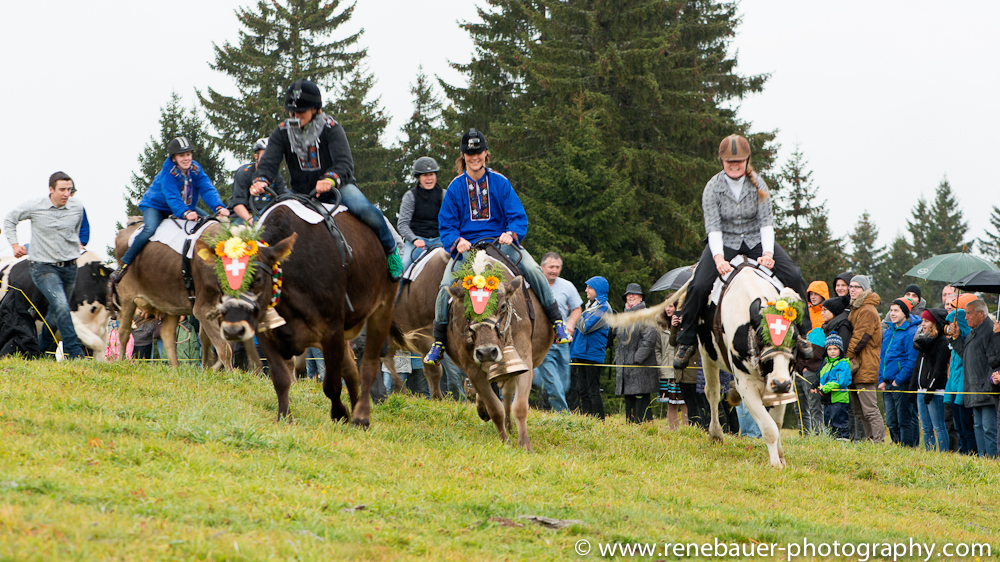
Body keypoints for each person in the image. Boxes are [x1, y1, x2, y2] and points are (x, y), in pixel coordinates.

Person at [422, 129, 572, 365]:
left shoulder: (500, 182)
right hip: (468, 250)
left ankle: (557, 321)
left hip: (500, 244)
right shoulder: (455, 187)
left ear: (486, 153)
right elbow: (446, 225)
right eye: (470, 153)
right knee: (445, 288)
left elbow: (517, 216)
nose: (475, 157)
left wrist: (511, 233)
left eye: (479, 152)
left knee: (534, 270)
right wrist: (456, 241)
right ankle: (439, 341)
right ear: (463, 156)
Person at [674, 134, 810, 370]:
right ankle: (686, 341)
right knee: (697, 285)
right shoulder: (712, 188)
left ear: (747, 160)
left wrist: (768, 254)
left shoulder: (759, 184)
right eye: (730, 162)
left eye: (739, 161)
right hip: (724, 241)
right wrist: (718, 258)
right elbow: (713, 227)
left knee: (795, 275)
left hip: (755, 239)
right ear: (722, 161)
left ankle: (803, 333)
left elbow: (766, 223)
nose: (734, 165)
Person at [249, 79, 402, 279]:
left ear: (315, 109)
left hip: (338, 189)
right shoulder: (282, 132)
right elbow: (269, 161)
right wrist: (261, 179)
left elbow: (344, 163)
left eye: (301, 111)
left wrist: (329, 179)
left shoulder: (332, 128)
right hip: (301, 194)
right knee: (270, 218)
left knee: (366, 210)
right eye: (292, 112)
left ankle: (391, 250)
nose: (295, 116)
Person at [111, 137, 230, 283]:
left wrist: (218, 206)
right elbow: (172, 197)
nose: (186, 158)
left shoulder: (196, 169)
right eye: (181, 155)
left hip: (184, 206)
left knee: (212, 223)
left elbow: (207, 189)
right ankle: (124, 264)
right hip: (157, 206)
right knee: (149, 229)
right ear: (174, 158)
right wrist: (185, 213)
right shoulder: (168, 173)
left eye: (188, 154)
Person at [3, 172, 87, 359]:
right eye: (62, 189)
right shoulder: (36, 206)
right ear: (51, 189)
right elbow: (10, 219)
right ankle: (75, 352)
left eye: (69, 189)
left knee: (56, 315)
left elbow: (76, 231)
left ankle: (38, 351)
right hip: (43, 267)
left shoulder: (77, 207)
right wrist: (15, 245)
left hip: (70, 267)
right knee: (62, 305)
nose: (66, 193)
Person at [948, 299, 999, 457]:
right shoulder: (973, 332)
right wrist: (956, 338)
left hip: (986, 391)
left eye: (969, 313)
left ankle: (992, 462)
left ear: (981, 313)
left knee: (989, 430)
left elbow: (995, 360)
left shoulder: (990, 331)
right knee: (978, 427)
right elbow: (966, 356)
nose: (966, 317)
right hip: (974, 390)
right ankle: (982, 461)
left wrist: (988, 384)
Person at [531, 252, 582, 412]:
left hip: (561, 340)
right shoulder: (532, 285)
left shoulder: (567, 286)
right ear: (542, 267)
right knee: (553, 381)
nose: (554, 270)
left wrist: (570, 325)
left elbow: (577, 308)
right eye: (551, 266)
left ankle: (533, 375)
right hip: (541, 340)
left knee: (564, 383)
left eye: (557, 267)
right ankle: (563, 414)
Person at [846, 275, 886, 442]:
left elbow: (860, 338)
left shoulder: (867, 310)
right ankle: (870, 440)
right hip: (857, 364)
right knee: (859, 410)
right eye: (851, 286)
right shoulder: (857, 308)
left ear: (864, 290)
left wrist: (846, 358)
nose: (852, 289)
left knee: (870, 409)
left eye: (857, 286)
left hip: (865, 363)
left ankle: (878, 441)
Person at [879, 296, 920, 447]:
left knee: (904, 420)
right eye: (891, 310)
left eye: (896, 310)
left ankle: (907, 448)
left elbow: (912, 360)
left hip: (901, 383)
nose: (892, 313)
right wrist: (881, 379)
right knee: (891, 421)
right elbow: (883, 356)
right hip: (887, 383)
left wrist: (898, 380)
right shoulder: (889, 330)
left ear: (905, 312)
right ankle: (896, 446)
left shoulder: (911, 332)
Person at [614, 284, 658, 424]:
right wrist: (617, 358)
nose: (631, 296)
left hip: (640, 366)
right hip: (625, 364)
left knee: (642, 400)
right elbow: (619, 341)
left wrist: (637, 358)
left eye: (634, 294)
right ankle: (630, 427)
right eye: (628, 294)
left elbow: (650, 338)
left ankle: (645, 428)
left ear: (641, 298)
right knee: (629, 399)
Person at [568, 276, 610, 419]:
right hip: (581, 353)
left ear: (598, 290)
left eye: (589, 288)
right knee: (583, 390)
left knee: (593, 390)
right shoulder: (591, 306)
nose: (586, 290)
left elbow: (585, 327)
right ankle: (588, 421)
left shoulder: (604, 308)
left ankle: (599, 421)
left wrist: (575, 313)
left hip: (592, 354)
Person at [910, 308, 950, 452]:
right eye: (922, 320)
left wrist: (931, 389)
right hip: (921, 390)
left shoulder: (942, 341)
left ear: (934, 323)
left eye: (926, 321)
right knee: (926, 428)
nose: (923, 324)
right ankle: (929, 454)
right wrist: (912, 386)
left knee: (938, 426)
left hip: (935, 391)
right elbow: (918, 366)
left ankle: (943, 454)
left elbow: (939, 368)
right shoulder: (924, 342)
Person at [944, 294, 977, 454]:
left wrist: (956, 338)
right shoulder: (955, 336)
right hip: (955, 384)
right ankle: (963, 455)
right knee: (959, 428)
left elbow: (966, 356)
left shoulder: (969, 336)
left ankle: (971, 455)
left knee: (967, 428)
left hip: (964, 387)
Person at [397, 156, 444, 270]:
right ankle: (399, 283)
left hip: (440, 240)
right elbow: (402, 224)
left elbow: (451, 220)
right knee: (404, 265)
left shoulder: (444, 194)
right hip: (417, 241)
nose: (429, 178)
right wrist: (414, 240)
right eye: (425, 175)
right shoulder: (410, 196)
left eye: (431, 174)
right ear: (418, 177)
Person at [229, 138, 287, 225]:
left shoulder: (276, 174)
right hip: (245, 216)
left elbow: (284, 196)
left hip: (268, 215)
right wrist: (252, 222)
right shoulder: (244, 172)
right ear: (256, 156)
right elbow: (238, 205)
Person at [811, 333, 852, 440]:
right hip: (827, 399)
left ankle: (843, 441)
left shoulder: (843, 364)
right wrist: (816, 384)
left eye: (835, 348)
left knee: (840, 423)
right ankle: (832, 442)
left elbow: (841, 381)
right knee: (829, 423)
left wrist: (825, 389)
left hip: (839, 399)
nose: (832, 351)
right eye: (829, 349)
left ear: (840, 350)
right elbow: (822, 378)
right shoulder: (826, 364)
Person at [655, 301, 687, 429]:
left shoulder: (685, 324)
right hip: (667, 371)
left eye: (671, 306)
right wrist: (661, 364)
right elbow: (657, 348)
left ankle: (687, 430)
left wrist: (681, 325)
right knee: (671, 403)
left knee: (685, 402)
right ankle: (673, 431)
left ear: (677, 307)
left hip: (682, 370)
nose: (667, 309)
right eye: (666, 306)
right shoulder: (660, 325)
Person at [794, 327, 827, 435]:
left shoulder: (820, 328)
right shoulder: (799, 326)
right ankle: (804, 434)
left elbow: (817, 354)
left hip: (812, 371)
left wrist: (807, 367)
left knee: (815, 406)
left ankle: (819, 434)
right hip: (797, 372)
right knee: (799, 408)